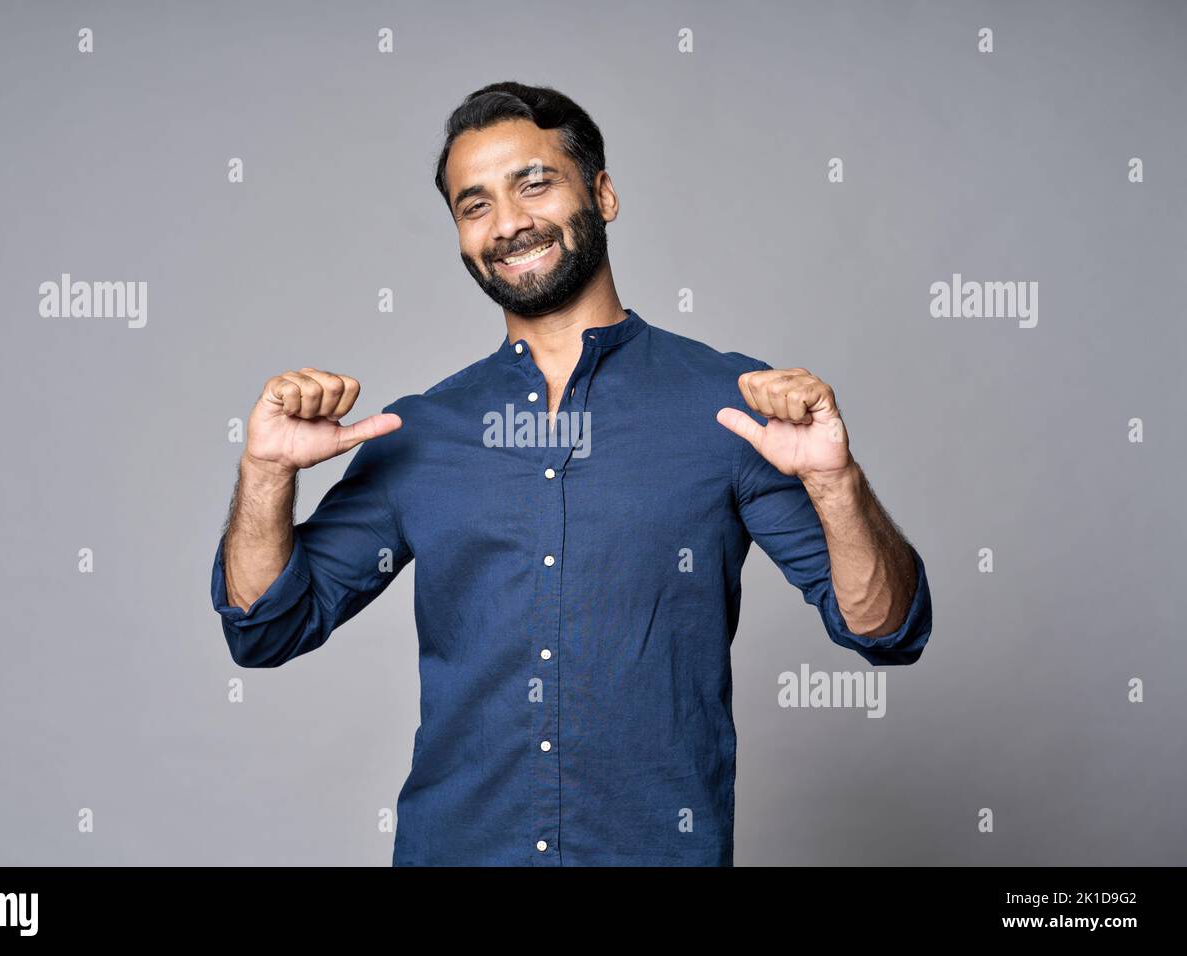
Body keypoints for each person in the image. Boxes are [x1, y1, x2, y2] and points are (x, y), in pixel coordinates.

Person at [210, 81, 933, 866]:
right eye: (474, 205)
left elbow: (886, 629)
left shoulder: (727, 410)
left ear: (604, 193)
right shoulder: (420, 432)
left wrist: (835, 483)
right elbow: (266, 630)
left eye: (535, 184)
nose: (509, 223)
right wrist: (267, 472)